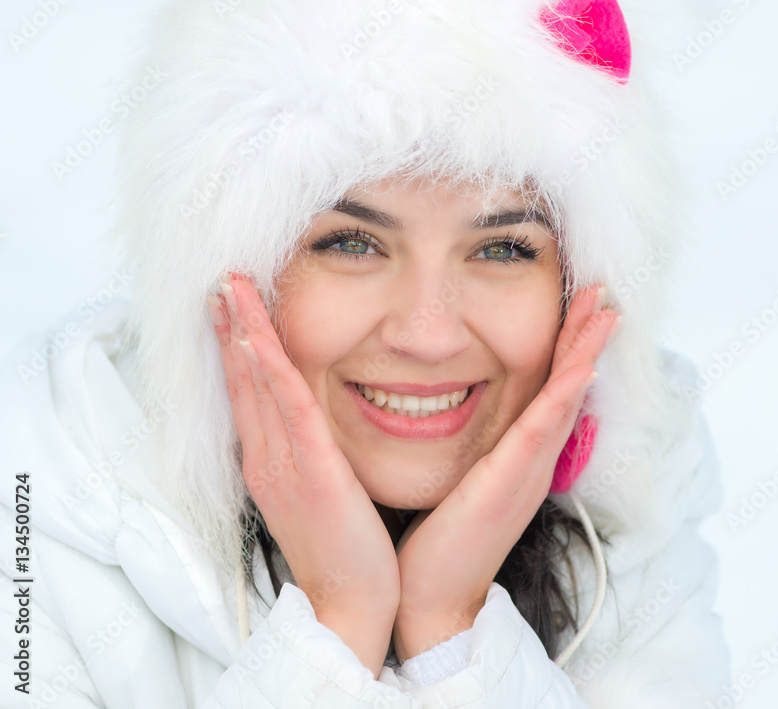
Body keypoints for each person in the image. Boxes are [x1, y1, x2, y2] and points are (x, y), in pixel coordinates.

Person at [0, 0, 731, 706]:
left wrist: (453, 636)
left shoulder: (641, 511)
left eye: (503, 247)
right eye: (352, 243)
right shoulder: (40, 513)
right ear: (228, 272)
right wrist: (335, 628)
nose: (429, 333)